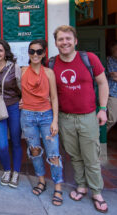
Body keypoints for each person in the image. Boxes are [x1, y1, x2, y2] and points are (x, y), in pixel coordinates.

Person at [51, 25, 109, 213]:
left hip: (88, 117)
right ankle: (81, 186)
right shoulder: (52, 64)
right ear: (56, 43)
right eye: (61, 39)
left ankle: (96, 192)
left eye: (68, 38)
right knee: (75, 156)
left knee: (91, 156)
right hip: (65, 118)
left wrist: (103, 109)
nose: (64, 42)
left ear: (75, 41)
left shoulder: (89, 58)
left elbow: (102, 83)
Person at [20, 39, 63, 206]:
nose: (35, 54)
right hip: (28, 116)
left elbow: (54, 97)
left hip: (46, 116)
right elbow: (15, 89)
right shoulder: (23, 71)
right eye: (32, 51)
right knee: (35, 150)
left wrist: (55, 120)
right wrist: (19, 100)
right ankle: (41, 180)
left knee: (53, 153)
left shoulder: (49, 72)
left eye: (39, 51)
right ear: (28, 53)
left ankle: (58, 185)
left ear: (44, 53)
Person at [0, 39, 22, 188]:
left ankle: (16, 172)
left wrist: (24, 101)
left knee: (15, 141)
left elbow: (22, 87)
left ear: (6, 52)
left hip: (14, 107)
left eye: (0, 50)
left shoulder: (14, 67)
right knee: (1, 144)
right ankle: (7, 170)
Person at [106, 41, 117, 133]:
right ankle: (99, 136)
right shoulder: (110, 60)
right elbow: (114, 76)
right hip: (113, 93)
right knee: (112, 119)